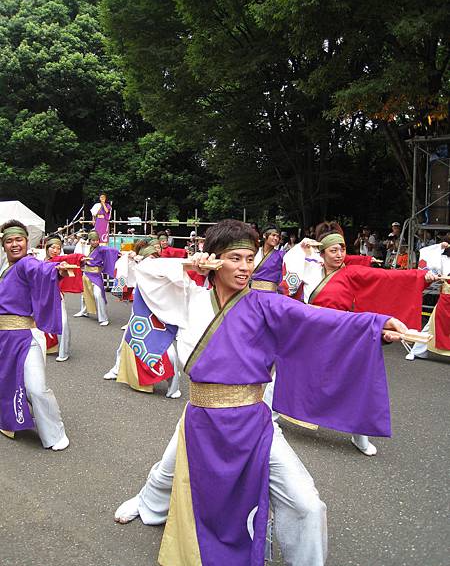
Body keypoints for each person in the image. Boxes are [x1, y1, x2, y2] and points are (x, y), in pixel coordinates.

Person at [113, 219, 406, 566]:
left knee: (306, 503)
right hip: (201, 416)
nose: (244, 267)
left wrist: (374, 324)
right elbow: (145, 272)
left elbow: (317, 319)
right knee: (167, 469)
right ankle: (148, 505)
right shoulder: (189, 299)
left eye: (249, 258)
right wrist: (189, 263)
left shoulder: (265, 304)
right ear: (214, 260)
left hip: (253, 419)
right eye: (235, 258)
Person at [280, 220, 439, 456]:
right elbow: (289, 288)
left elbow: (385, 278)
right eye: (333, 250)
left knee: (353, 380)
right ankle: (270, 413)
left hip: (343, 332)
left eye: (342, 249)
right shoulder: (310, 269)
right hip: (312, 331)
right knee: (290, 367)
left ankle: (359, 433)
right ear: (321, 253)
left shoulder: (350, 272)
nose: (339, 254)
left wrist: (420, 277)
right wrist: (299, 251)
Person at [0, 220, 69, 450]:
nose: (14, 244)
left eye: (18, 239)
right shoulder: (4, 267)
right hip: (3, 340)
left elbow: (39, 268)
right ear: (3, 245)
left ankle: (55, 433)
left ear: (27, 242)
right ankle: (10, 418)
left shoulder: (26, 263)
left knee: (36, 389)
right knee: (9, 383)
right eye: (9, 241)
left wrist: (54, 268)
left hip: (24, 337)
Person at [104, 241, 182, 399]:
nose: (152, 260)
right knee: (124, 346)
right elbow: (123, 273)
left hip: (161, 319)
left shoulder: (164, 273)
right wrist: (129, 258)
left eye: (156, 255)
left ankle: (174, 387)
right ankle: (117, 369)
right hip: (140, 317)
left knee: (170, 354)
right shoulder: (140, 269)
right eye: (150, 256)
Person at [406, 240, 450, 360]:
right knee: (432, 325)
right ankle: (417, 351)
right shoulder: (445, 259)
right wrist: (440, 247)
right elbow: (427, 254)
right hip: (446, 298)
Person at [44, 236, 84, 362]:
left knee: (63, 322)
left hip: (56, 295)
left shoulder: (58, 261)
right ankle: (46, 346)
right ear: (47, 248)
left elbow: (66, 258)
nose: (55, 250)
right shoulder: (41, 260)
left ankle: (64, 352)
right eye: (53, 247)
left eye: (58, 248)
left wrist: (80, 257)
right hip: (42, 296)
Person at [73, 230, 120, 326]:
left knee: (98, 295)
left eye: (96, 240)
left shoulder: (101, 249)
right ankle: (84, 311)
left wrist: (119, 253)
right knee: (84, 294)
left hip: (95, 275)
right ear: (89, 241)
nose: (95, 242)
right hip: (86, 274)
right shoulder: (86, 248)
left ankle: (103, 318)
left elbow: (111, 250)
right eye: (93, 240)